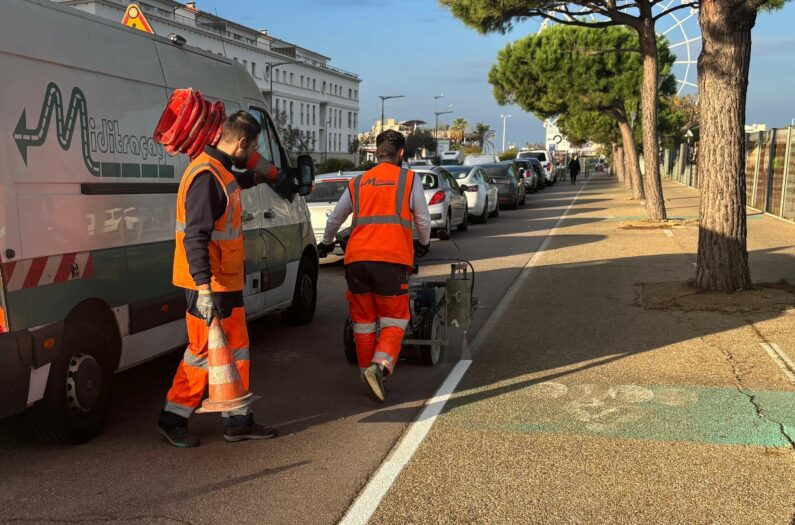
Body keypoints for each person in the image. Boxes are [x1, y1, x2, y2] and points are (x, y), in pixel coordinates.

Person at [157, 110, 292, 448]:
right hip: (209, 286)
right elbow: (195, 236)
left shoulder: (218, 169)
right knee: (203, 352)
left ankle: (238, 420)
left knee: (235, 351)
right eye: (255, 146)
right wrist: (203, 287)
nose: (256, 152)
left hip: (224, 282)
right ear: (242, 142)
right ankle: (172, 418)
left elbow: (234, 183)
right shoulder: (205, 175)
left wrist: (263, 177)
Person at [318, 130, 432, 403]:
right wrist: (424, 243)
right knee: (395, 320)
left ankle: (366, 376)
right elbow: (423, 220)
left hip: (356, 261)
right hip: (391, 260)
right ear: (401, 154)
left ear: (376, 152)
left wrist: (326, 242)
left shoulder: (359, 182)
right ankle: (378, 368)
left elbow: (336, 218)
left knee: (363, 322)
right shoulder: (408, 179)